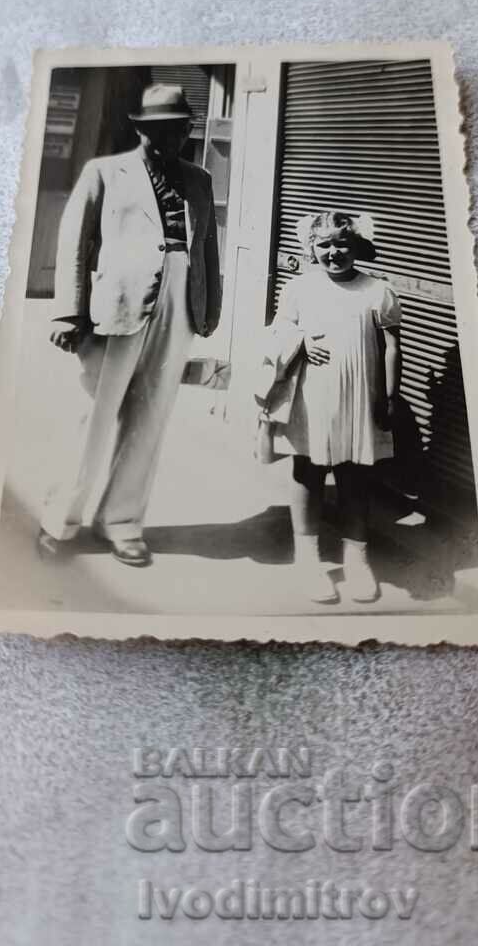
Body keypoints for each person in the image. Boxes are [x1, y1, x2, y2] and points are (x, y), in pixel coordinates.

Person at [37, 83, 222, 565]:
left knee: (151, 417)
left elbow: (206, 250)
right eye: (160, 129)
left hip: (179, 303)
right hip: (114, 305)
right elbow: (75, 242)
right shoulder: (104, 173)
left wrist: (208, 310)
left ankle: (121, 521)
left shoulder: (199, 179)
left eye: (179, 129)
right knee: (94, 416)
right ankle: (61, 519)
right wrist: (67, 310)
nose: (170, 138)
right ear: (141, 129)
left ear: (187, 131)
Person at [257, 210, 402, 602]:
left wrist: (388, 397)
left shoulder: (378, 291)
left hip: (360, 397)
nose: (333, 252)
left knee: (356, 476)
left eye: (342, 244)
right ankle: (307, 559)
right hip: (311, 394)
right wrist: (300, 341)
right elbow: (279, 331)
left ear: (357, 246)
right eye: (324, 244)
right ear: (310, 248)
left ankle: (357, 559)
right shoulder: (299, 289)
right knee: (308, 470)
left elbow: (391, 346)